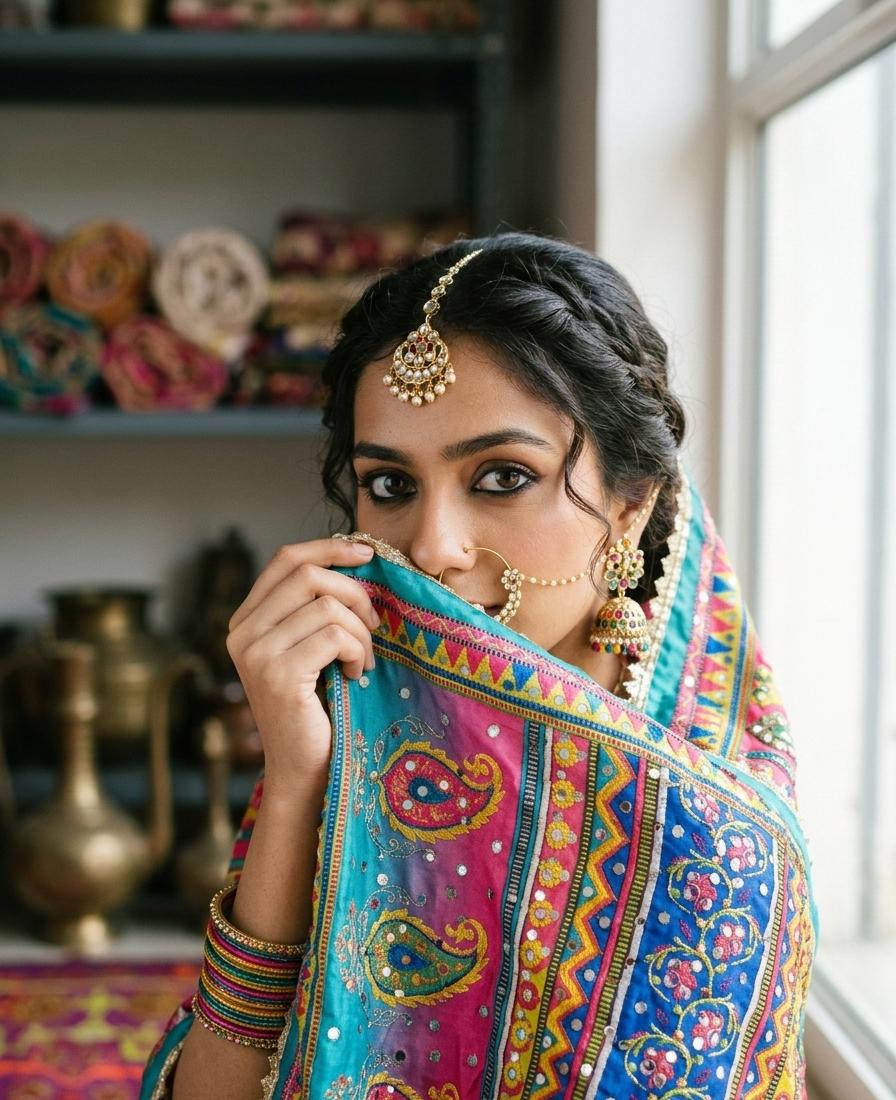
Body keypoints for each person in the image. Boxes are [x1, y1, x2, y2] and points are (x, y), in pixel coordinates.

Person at [142, 233, 814, 1100]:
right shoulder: (357, 721)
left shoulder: (718, 814)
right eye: (390, 485)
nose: (432, 548)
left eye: (501, 477)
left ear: (631, 506)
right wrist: (299, 776)